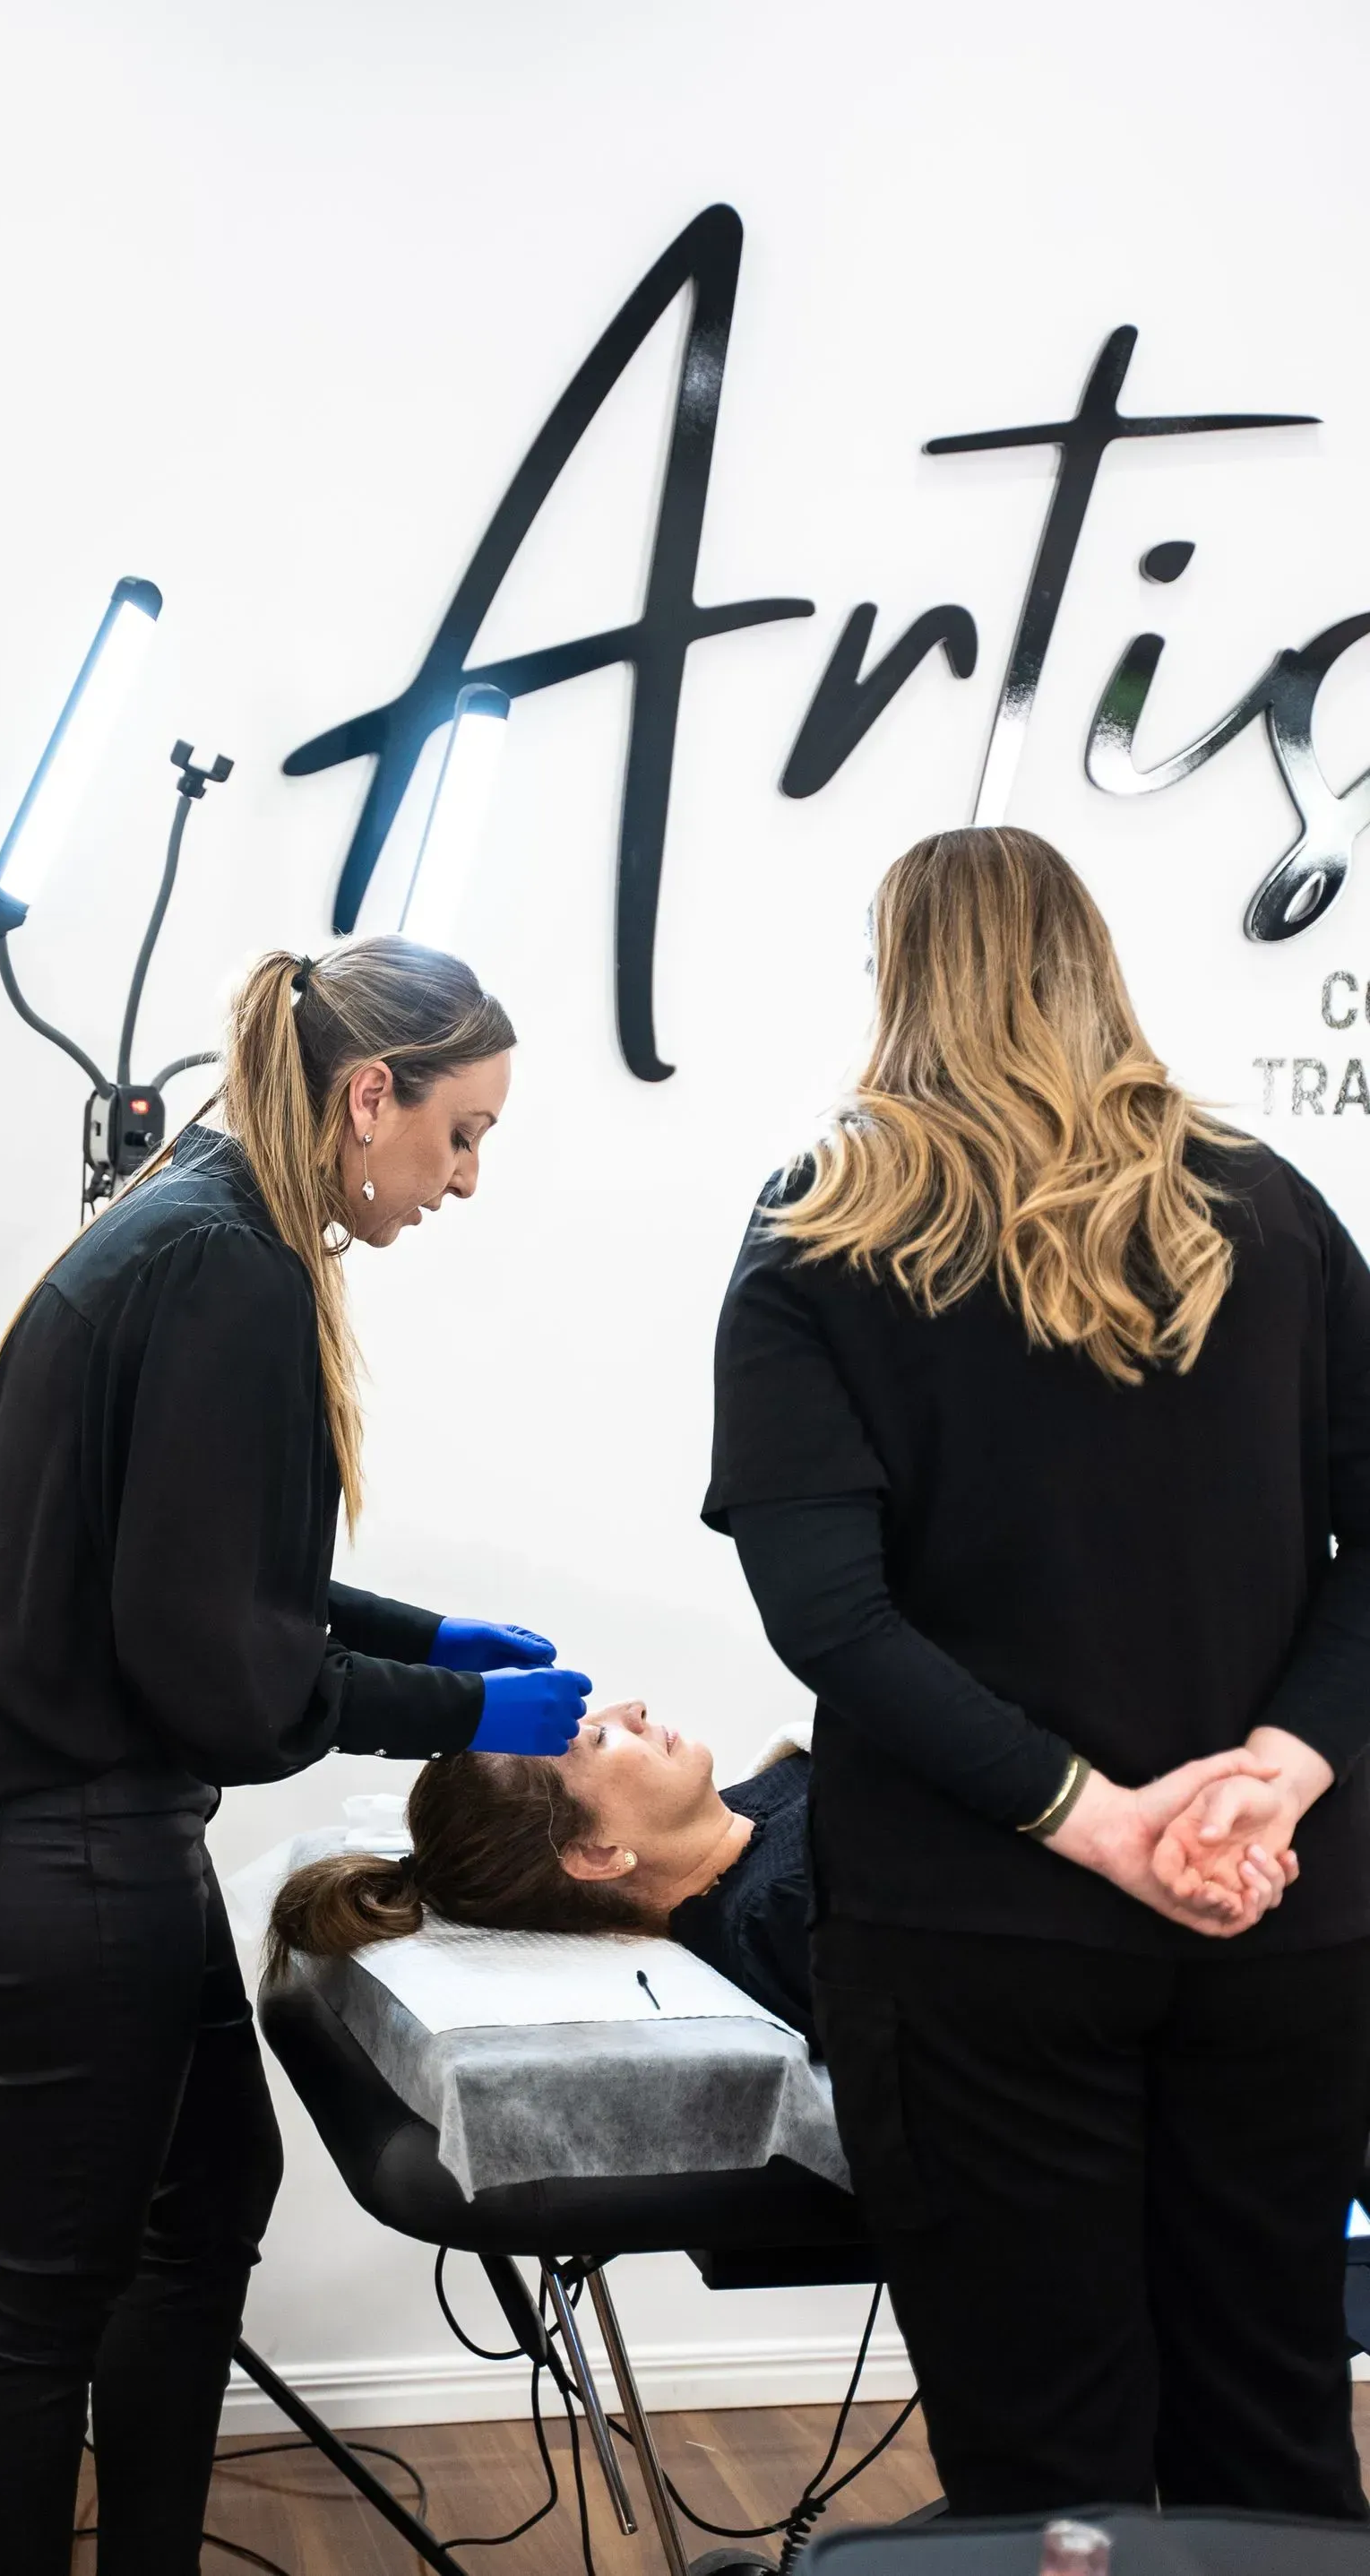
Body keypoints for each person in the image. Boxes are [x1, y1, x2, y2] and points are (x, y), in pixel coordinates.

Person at [0, 937, 592, 2576]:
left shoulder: (205, 1222)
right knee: (47, 2291)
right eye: (461, 1132)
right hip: (43, 1843)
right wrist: (463, 1718)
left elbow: (204, 1568)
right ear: (365, 1096)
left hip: (58, 1826)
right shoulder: (230, 1268)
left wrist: (427, 1641)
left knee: (206, 2194)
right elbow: (216, 1671)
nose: (467, 1178)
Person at [704, 826, 1370, 2520]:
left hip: (978, 1941)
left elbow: (830, 1616)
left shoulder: (819, 1230)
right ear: (1098, 965)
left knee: (1047, 2465)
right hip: (1280, 1915)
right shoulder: (1272, 1209)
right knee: (1277, 2433)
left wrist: (1091, 1819)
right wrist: (1277, 1770)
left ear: (897, 982)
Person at [267, 1700, 822, 2034]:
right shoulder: (782, 1915)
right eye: (601, 1738)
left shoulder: (748, 1814)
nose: (635, 1709)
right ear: (597, 1855)